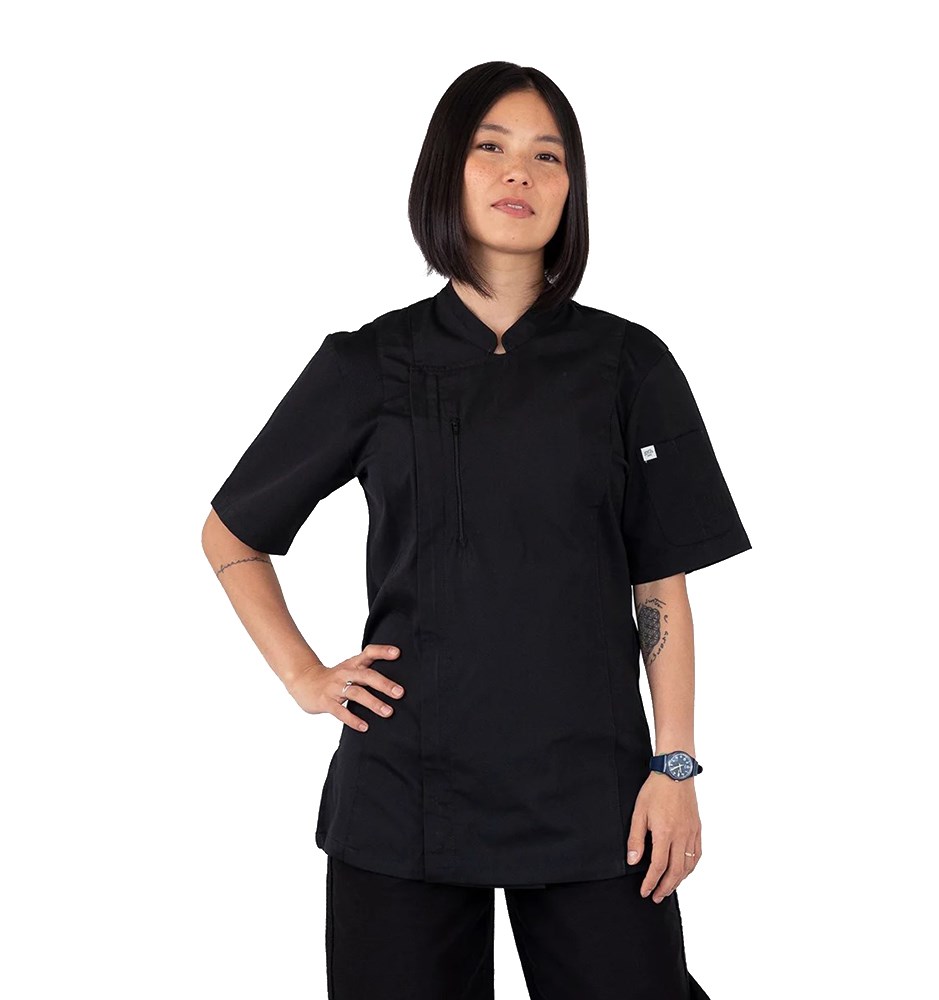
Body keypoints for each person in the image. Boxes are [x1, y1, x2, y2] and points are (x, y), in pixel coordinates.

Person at [203, 61, 751, 1000]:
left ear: (571, 188)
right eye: (490, 148)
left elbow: (660, 583)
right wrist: (304, 676)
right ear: (446, 173)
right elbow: (231, 533)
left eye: (548, 156)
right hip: (407, 795)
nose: (519, 173)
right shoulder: (371, 362)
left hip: (597, 796)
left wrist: (676, 764)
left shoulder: (629, 364)